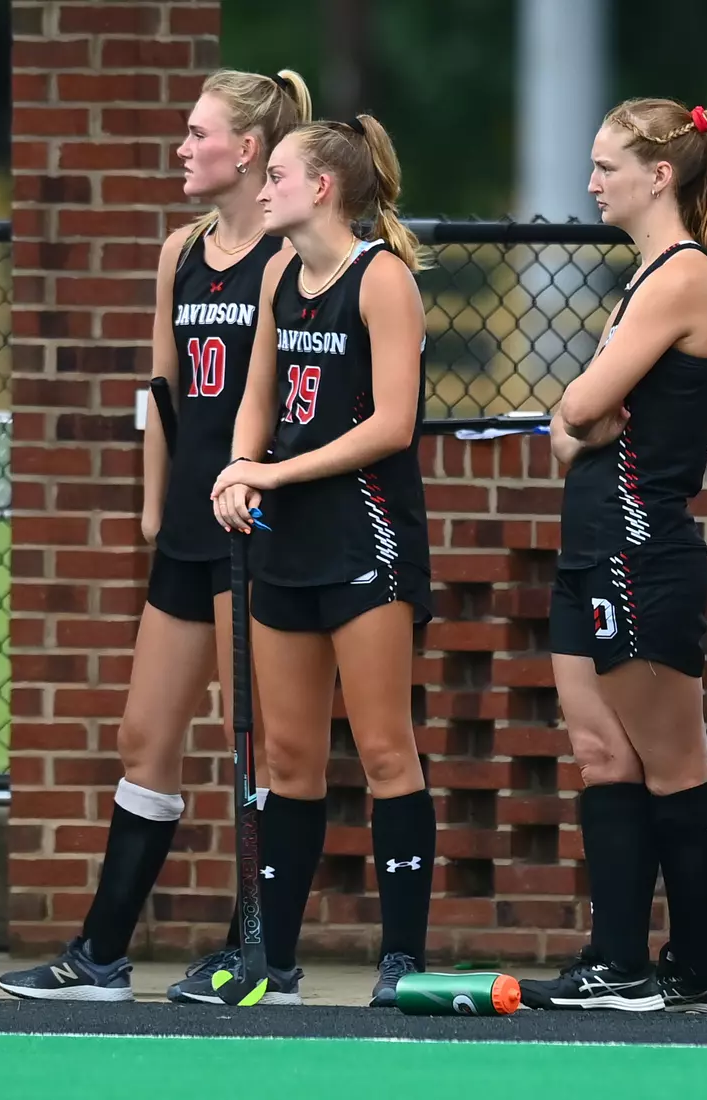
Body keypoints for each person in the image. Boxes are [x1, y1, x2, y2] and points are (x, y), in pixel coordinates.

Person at [0, 68, 313, 1004]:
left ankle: (257, 956)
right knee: (144, 735)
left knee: (259, 749)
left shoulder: (288, 257)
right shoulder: (182, 251)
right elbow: (163, 394)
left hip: (255, 529)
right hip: (186, 527)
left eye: (198, 132)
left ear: (246, 149)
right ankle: (99, 956)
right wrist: (152, 508)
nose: (183, 148)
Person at [517, 98, 707, 1013]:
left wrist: (580, 415)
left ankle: (698, 964)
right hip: (590, 540)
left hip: (639, 544)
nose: (590, 183)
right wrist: (579, 416)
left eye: (606, 166)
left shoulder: (683, 275)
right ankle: (615, 962)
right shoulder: (642, 278)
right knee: (599, 753)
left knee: (673, 764)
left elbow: (580, 409)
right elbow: (570, 427)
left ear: (660, 176)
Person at [200, 113, 434, 1010]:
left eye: (279, 176)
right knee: (288, 758)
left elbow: (391, 426)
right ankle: (272, 961)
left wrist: (273, 471)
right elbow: (257, 399)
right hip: (287, 540)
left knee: (383, 750)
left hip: (365, 537)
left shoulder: (383, 279)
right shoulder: (277, 275)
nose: (264, 189)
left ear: (323, 188)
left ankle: (402, 958)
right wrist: (239, 468)